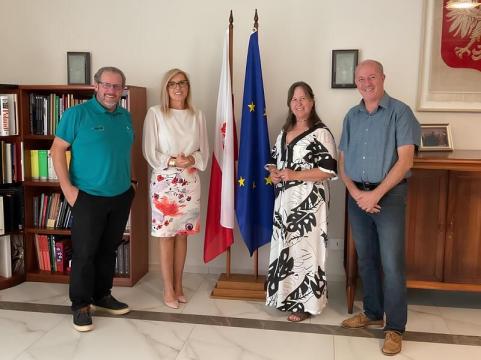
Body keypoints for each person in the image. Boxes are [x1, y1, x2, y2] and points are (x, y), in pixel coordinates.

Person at [338, 59, 420, 356]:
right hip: (358, 196)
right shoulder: (352, 115)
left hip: (390, 197)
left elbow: (406, 161)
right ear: (356, 82)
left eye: (372, 77)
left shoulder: (400, 112)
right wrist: (356, 193)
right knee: (367, 260)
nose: (366, 83)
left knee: (392, 264)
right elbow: (343, 162)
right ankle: (372, 311)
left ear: (383, 78)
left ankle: (395, 327)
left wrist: (376, 195)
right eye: (361, 78)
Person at [51, 66, 136, 332]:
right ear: (96, 86)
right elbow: (56, 151)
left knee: (108, 250)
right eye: (107, 85)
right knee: (85, 253)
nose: (112, 91)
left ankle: (102, 296)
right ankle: (80, 305)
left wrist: (132, 182)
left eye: (117, 86)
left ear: (123, 89)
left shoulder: (126, 116)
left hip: (120, 195)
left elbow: (121, 152)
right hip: (87, 196)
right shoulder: (76, 114)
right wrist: (68, 190)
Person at [265, 81, 337, 322]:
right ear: (289, 104)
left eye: (303, 98)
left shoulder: (321, 133)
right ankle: (284, 297)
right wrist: (274, 174)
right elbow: (274, 162)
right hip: (284, 202)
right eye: (294, 99)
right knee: (285, 248)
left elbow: (328, 172)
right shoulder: (283, 132)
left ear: (312, 101)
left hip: (309, 205)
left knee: (306, 251)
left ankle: (307, 304)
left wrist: (294, 175)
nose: (299, 103)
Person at [142, 68, 209, 309]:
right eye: (172, 84)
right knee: (166, 235)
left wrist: (191, 160)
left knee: (183, 234)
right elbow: (150, 151)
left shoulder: (197, 114)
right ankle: (167, 288)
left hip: (189, 181)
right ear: (165, 88)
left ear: (188, 87)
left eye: (182, 83)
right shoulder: (156, 114)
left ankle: (179, 285)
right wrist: (172, 161)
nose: (178, 88)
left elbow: (204, 150)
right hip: (165, 182)